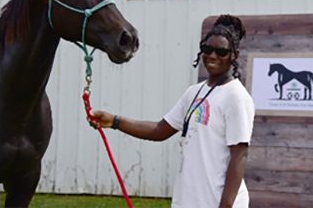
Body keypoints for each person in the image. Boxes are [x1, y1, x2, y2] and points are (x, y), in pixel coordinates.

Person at [87, 14, 255, 208]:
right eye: (207, 49)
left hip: (217, 202)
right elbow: (160, 130)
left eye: (222, 52)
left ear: (234, 54)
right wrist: (115, 121)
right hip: (189, 200)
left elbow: (239, 155)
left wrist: (225, 206)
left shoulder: (236, 97)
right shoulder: (194, 92)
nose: (213, 56)